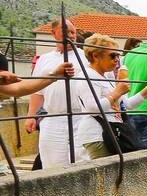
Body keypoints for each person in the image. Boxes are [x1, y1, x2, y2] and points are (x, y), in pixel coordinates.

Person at [28, 20, 104, 167]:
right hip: (52, 117)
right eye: (66, 32)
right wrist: (31, 116)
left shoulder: (86, 58)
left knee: (83, 162)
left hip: (81, 117)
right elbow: (37, 91)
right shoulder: (44, 59)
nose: (71, 35)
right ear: (53, 33)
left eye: (73, 32)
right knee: (51, 164)